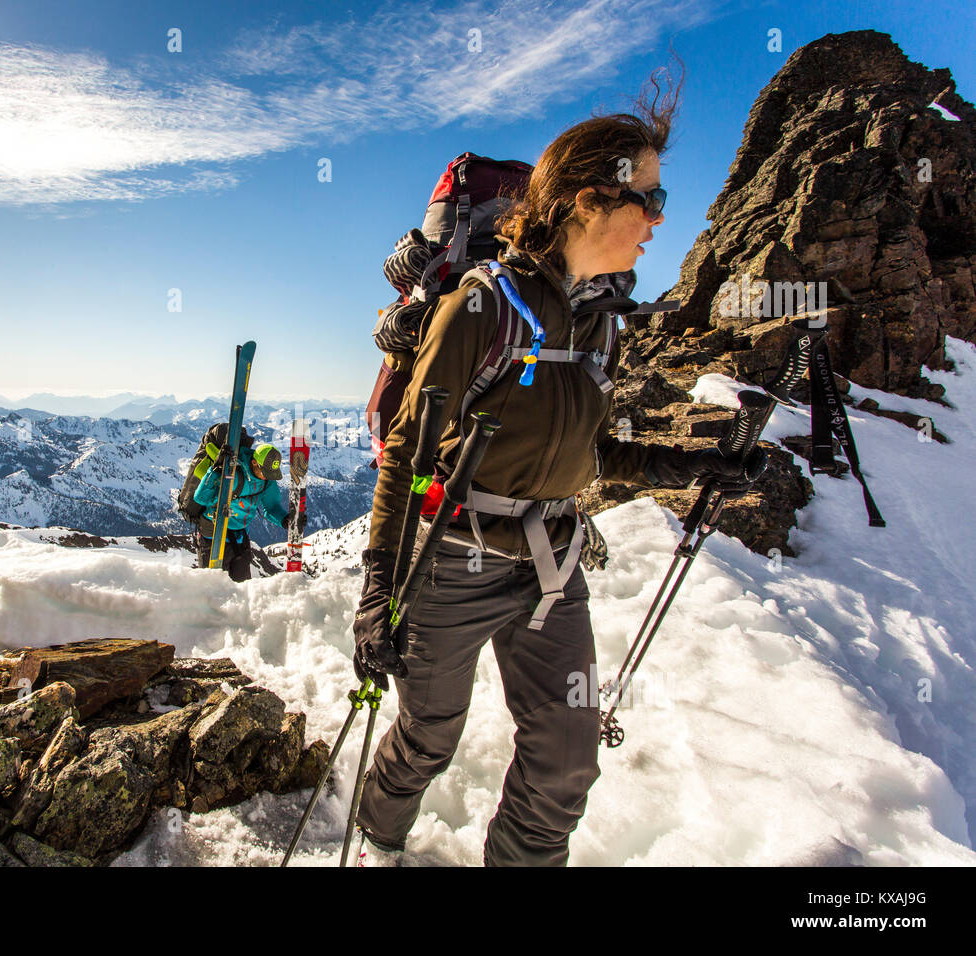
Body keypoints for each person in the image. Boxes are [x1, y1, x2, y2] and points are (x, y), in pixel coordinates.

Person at [350, 66, 767, 866]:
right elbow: (406, 450)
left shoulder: (602, 322)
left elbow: (593, 451)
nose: (657, 219)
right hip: (451, 564)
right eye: (649, 198)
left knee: (568, 758)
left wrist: (698, 462)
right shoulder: (482, 305)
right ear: (590, 200)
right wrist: (378, 591)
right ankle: (378, 838)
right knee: (430, 735)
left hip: (552, 566)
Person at [193, 442, 303, 582]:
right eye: (265, 472)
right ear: (254, 463)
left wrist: (285, 520)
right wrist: (215, 470)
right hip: (213, 534)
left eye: (271, 473)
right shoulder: (232, 471)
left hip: (239, 536)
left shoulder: (266, 481)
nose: (267, 477)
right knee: (213, 588)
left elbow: (271, 507)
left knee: (242, 588)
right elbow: (201, 498)